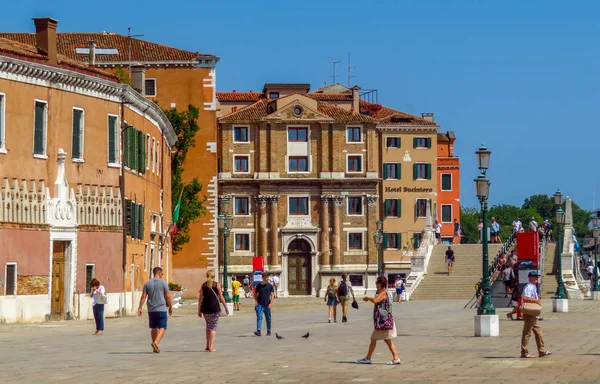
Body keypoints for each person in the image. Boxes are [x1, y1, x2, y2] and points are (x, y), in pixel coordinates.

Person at [357, 276, 401, 365]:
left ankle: (369, 358)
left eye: (377, 282)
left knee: (377, 339)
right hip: (384, 320)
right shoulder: (383, 292)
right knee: (383, 340)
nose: (376, 284)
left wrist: (367, 298)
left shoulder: (383, 293)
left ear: (381, 284)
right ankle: (394, 358)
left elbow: (376, 300)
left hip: (383, 321)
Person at [138, 267, 172, 354]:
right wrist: (171, 306)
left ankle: (154, 347)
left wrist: (140, 307)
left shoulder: (147, 283)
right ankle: (156, 343)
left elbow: (143, 296)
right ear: (160, 273)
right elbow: (168, 296)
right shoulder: (163, 283)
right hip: (161, 308)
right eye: (162, 274)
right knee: (162, 327)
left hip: (151, 308)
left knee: (153, 327)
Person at [521, 271, 551, 358]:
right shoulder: (529, 286)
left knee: (538, 333)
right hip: (529, 313)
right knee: (527, 333)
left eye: (537, 277)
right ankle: (524, 352)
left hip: (533, 314)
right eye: (534, 277)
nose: (536, 279)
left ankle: (542, 351)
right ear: (530, 277)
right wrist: (536, 301)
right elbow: (525, 298)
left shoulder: (533, 286)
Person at [198, 270, 229, 352]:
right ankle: (211, 347)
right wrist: (226, 307)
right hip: (214, 309)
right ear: (213, 276)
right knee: (213, 328)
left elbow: (200, 298)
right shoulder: (217, 285)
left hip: (205, 309)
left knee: (208, 327)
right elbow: (221, 297)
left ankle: (208, 345)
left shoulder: (203, 285)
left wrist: (199, 310)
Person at [254, 272, 275, 336]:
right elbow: (255, 294)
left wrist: (271, 303)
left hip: (267, 304)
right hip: (260, 304)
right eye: (265, 277)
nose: (267, 278)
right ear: (263, 278)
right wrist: (256, 302)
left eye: (267, 277)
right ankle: (259, 330)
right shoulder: (259, 285)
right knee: (259, 317)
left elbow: (272, 295)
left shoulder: (270, 286)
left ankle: (269, 330)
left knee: (268, 318)